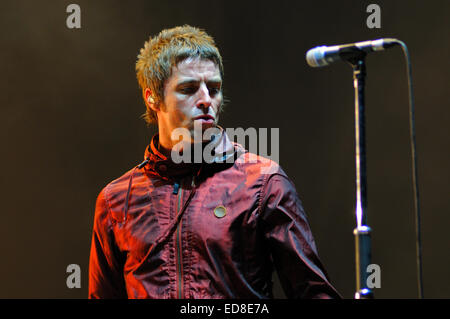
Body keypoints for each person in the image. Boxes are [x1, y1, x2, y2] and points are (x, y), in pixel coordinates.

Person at [88, 25, 341, 299]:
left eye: (214, 88)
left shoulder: (263, 182)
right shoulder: (116, 201)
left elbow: (313, 294)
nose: (206, 100)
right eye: (189, 89)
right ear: (152, 98)